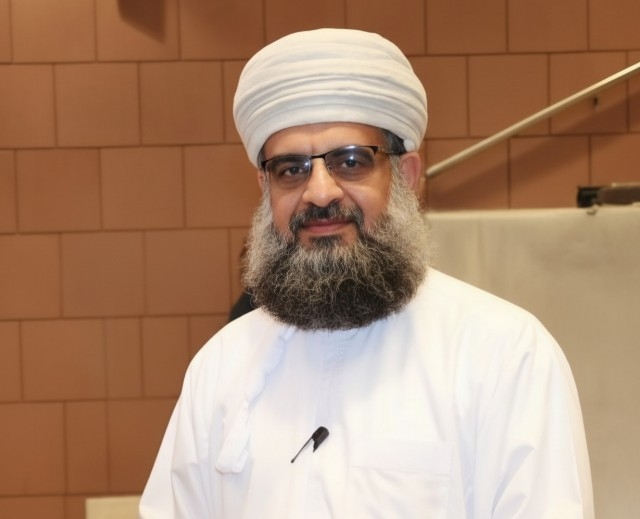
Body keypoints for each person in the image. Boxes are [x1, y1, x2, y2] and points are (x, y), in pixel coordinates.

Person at [139, 28, 594, 518]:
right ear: (266, 188)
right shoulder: (221, 367)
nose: (319, 192)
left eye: (351, 161)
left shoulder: (505, 356)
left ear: (407, 177)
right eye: (291, 169)